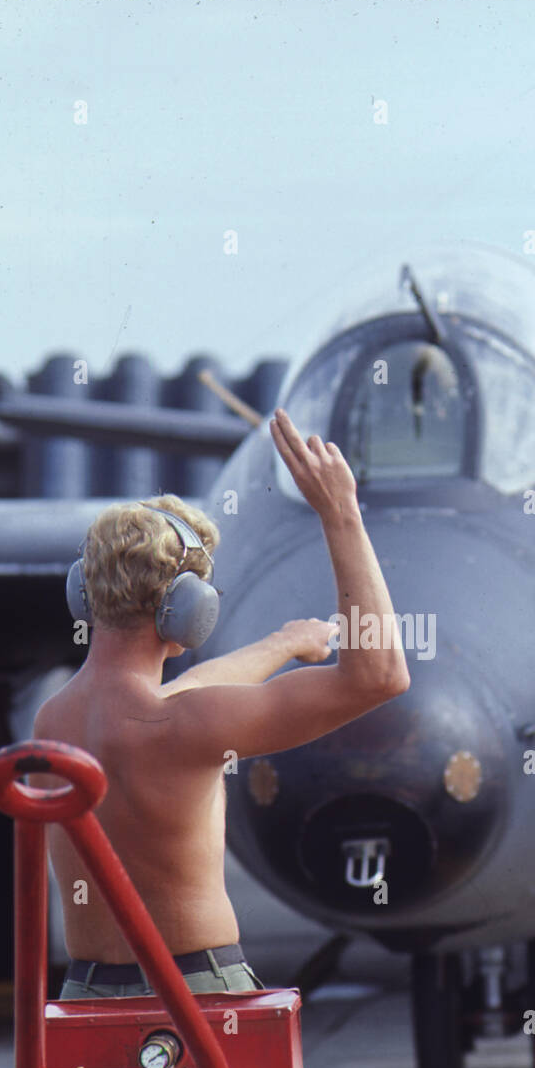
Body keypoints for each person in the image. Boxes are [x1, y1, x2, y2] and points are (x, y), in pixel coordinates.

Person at [32, 407, 410, 1000]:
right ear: (188, 608)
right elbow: (380, 675)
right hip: (197, 998)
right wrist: (342, 515)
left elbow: (181, 697)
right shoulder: (187, 726)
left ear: (85, 590)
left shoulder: (54, 721)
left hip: (85, 997)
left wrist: (281, 644)